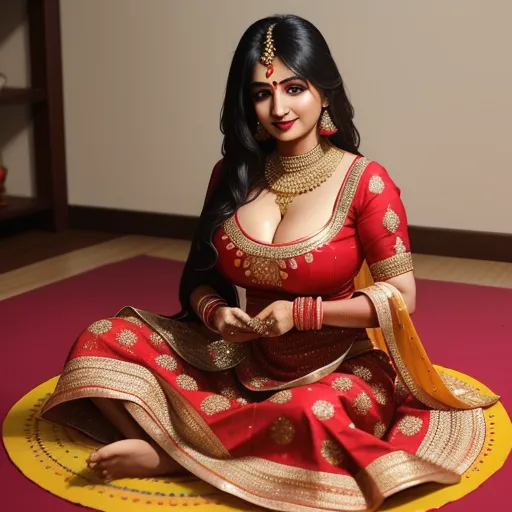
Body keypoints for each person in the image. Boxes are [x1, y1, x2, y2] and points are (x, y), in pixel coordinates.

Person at [40, 14, 501, 512]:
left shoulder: (366, 181)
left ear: (324, 93)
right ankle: (177, 446)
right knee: (101, 337)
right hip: (242, 358)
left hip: (338, 367)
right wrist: (217, 313)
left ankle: (171, 455)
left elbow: (401, 297)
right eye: (262, 93)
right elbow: (200, 278)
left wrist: (303, 314)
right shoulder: (233, 174)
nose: (278, 108)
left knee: (309, 413)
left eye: (294, 88)